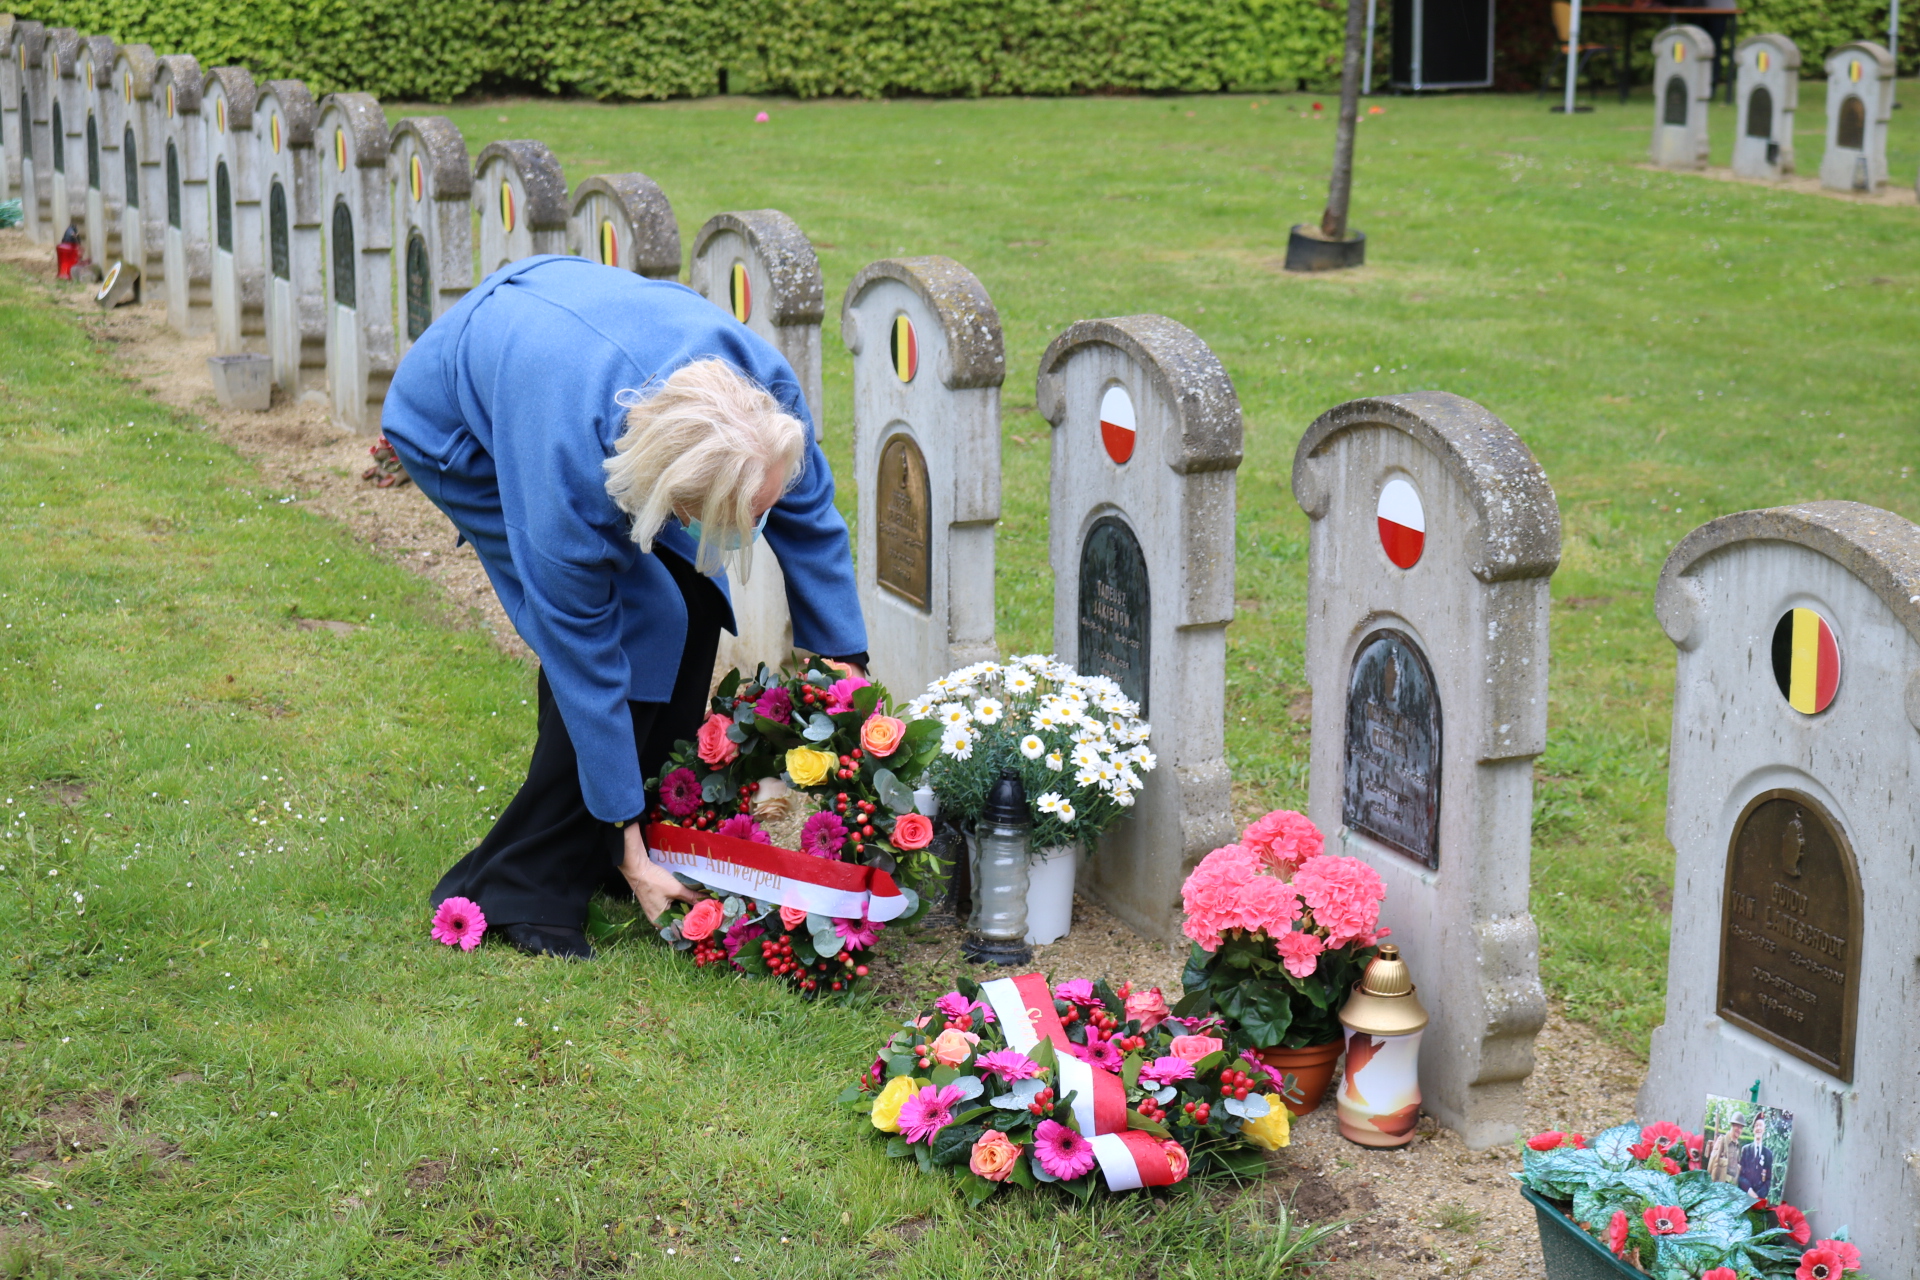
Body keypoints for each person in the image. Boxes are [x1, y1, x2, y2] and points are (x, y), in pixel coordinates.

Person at [382, 255, 869, 960]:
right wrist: (627, 846)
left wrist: (845, 668)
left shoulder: (764, 399)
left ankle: (643, 824)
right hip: (459, 425)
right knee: (644, 622)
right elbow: (586, 660)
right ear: (672, 492)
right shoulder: (569, 487)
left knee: (693, 602)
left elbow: (810, 516)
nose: (757, 526)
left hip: (566, 340)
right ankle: (527, 885)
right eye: (738, 516)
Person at [1737, 1113, 1776, 1201]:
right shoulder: (1745, 1150)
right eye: (1756, 1126)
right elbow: (1741, 1176)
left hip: (1759, 1199)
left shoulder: (1768, 1154)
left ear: (1764, 1129)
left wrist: (1758, 1196)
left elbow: (1768, 1180)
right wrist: (1750, 1192)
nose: (1758, 1128)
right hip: (1745, 1196)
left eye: (1760, 1125)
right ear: (1753, 1129)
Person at [1705, 1115, 1744, 1184]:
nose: (1739, 1130)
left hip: (1730, 1185)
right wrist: (1709, 1183)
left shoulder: (1737, 1145)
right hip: (1719, 1184)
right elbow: (1712, 1162)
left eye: (1741, 1127)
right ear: (1732, 1125)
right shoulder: (1722, 1140)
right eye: (1737, 1126)